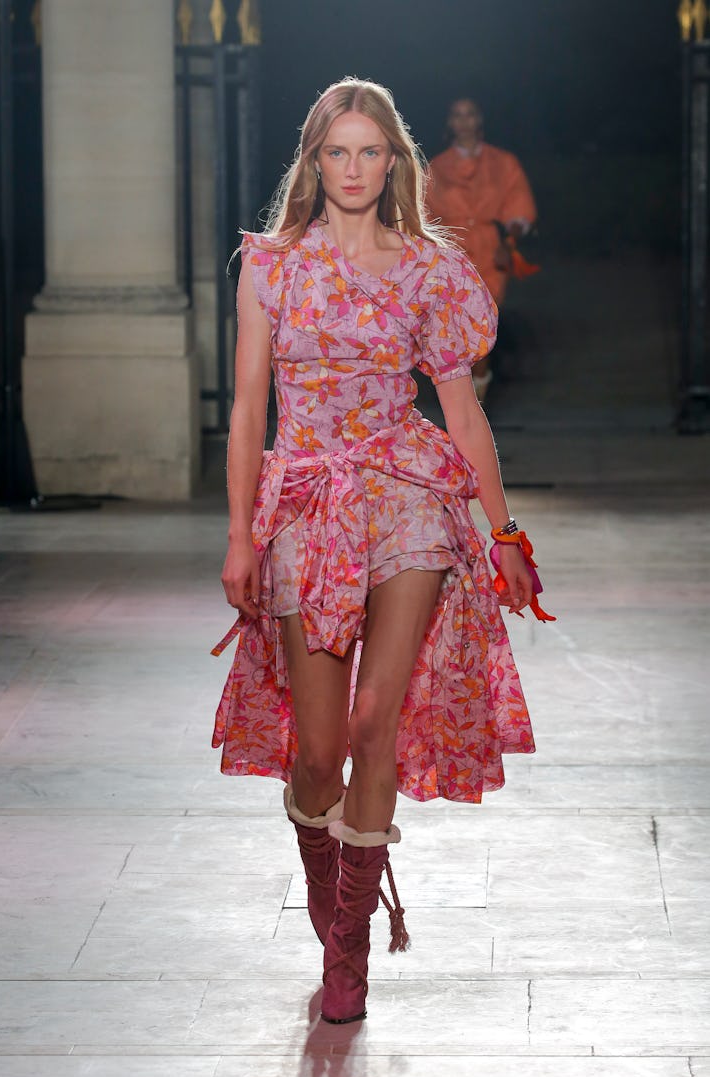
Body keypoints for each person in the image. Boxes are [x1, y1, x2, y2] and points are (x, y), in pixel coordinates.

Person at [212, 78, 550, 1026]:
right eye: (337, 153)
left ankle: (348, 950)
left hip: (408, 494)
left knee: (374, 722)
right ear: (314, 163)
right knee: (316, 752)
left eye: (370, 152)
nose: (354, 170)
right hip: (308, 500)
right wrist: (240, 532)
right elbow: (247, 411)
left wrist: (503, 530)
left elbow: (462, 409)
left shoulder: (431, 272)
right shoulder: (271, 267)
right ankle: (334, 897)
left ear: (394, 162)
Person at [425, 98, 538, 401]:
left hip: (490, 252)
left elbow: (518, 207)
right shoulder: (436, 166)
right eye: (457, 115)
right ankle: (468, 397)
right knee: (456, 328)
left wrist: (508, 242)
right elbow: (422, 216)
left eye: (470, 114)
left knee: (481, 325)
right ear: (450, 122)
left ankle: (477, 395)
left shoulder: (503, 163)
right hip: (452, 253)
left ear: (479, 119)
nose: (464, 121)